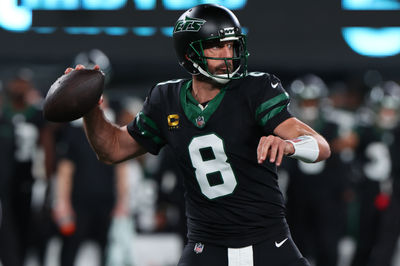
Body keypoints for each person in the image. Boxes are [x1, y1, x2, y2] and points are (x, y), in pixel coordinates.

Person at [65, 4, 330, 266]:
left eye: (232, 44)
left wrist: (289, 145)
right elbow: (111, 149)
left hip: (268, 244)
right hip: (207, 246)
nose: (229, 53)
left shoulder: (256, 89)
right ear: (190, 53)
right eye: (217, 45)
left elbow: (321, 146)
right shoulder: (165, 99)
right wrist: (90, 109)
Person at [283, 74, 352, 266]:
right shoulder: (285, 128)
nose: (309, 106)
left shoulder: (335, 126)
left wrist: (345, 187)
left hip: (328, 195)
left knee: (328, 246)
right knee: (297, 247)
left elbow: (344, 162)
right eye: (305, 101)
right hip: (297, 195)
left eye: (312, 101)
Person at [52, 99, 131, 266]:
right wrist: (63, 203)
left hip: (107, 200)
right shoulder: (74, 134)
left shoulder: (114, 133)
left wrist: (122, 201)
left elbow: (121, 169)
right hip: (79, 202)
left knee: (107, 249)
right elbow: (65, 171)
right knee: (70, 247)